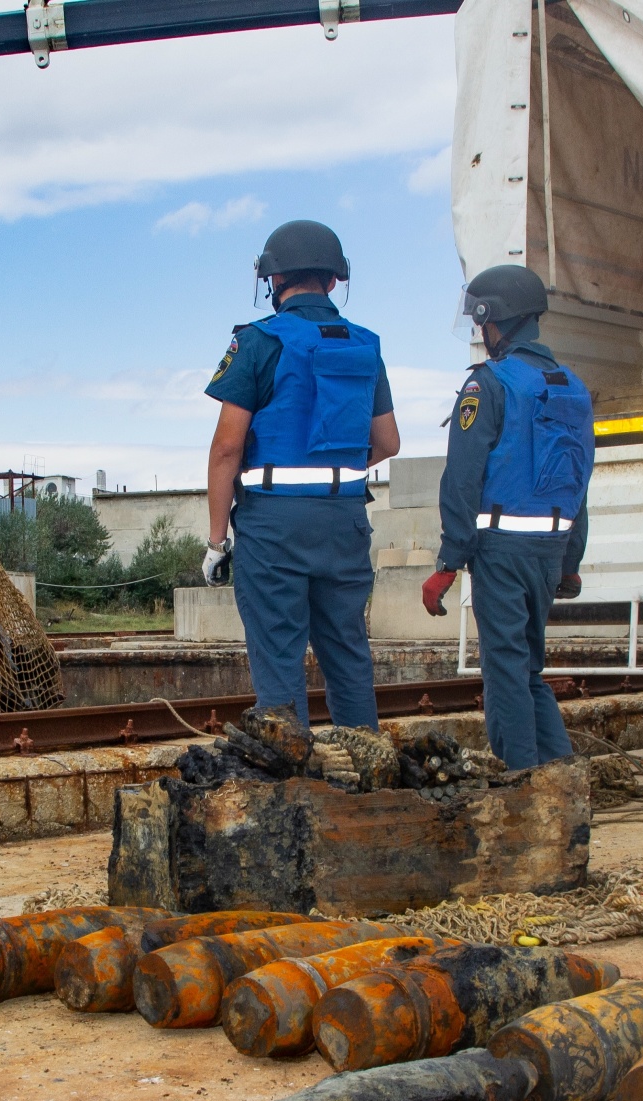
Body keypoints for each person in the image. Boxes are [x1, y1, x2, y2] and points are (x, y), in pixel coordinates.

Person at [203, 220, 401, 727]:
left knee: (279, 659)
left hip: (274, 526)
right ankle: (367, 777)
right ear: (334, 281)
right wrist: (331, 472)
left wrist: (217, 539)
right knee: (348, 655)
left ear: (273, 279)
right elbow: (387, 443)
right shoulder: (365, 345)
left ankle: (289, 791)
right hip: (345, 521)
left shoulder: (258, 342)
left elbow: (227, 448)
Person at [421, 265, 594, 768]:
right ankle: (562, 780)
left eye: (481, 323)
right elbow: (578, 482)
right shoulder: (572, 389)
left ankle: (523, 786)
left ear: (494, 320)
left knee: (504, 674)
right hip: (548, 554)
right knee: (528, 670)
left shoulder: (489, 385)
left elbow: (462, 479)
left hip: (500, 552)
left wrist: (448, 563)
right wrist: (570, 560)